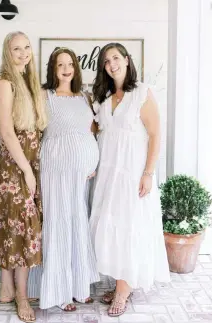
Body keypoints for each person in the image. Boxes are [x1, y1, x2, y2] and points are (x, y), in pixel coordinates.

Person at [89, 43, 170, 317]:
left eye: (115, 58)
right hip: (109, 175)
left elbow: (156, 135)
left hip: (133, 174)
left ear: (126, 60)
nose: (112, 64)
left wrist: (148, 173)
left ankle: (123, 291)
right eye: (106, 60)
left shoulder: (142, 93)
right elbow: (95, 133)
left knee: (129, 228)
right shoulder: (103, 97)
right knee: (110, 227)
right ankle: (122, 281)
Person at [0, 31, 47, 322]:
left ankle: (7, 287)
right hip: (15, 165)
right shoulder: (5, 83)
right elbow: (7, 132)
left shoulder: (27, 82)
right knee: (20, 227)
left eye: (26, 47)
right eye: (16, 49)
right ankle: (21, 296)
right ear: (7, 53)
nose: (23, 53)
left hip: (27, 162)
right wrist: (26, 171)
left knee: (14, 225)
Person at [38, 47, 100, 311]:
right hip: (56, 170)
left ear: (76, 68)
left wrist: (91, 159)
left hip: (82, 173)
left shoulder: (84, 97)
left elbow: (92, 131)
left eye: (70, 64)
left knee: (78, 222)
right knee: (59, 222)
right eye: (60, 64)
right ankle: (60, 291)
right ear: (53, 69)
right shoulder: (44, 96)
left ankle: (79, 285)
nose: (66, 69)